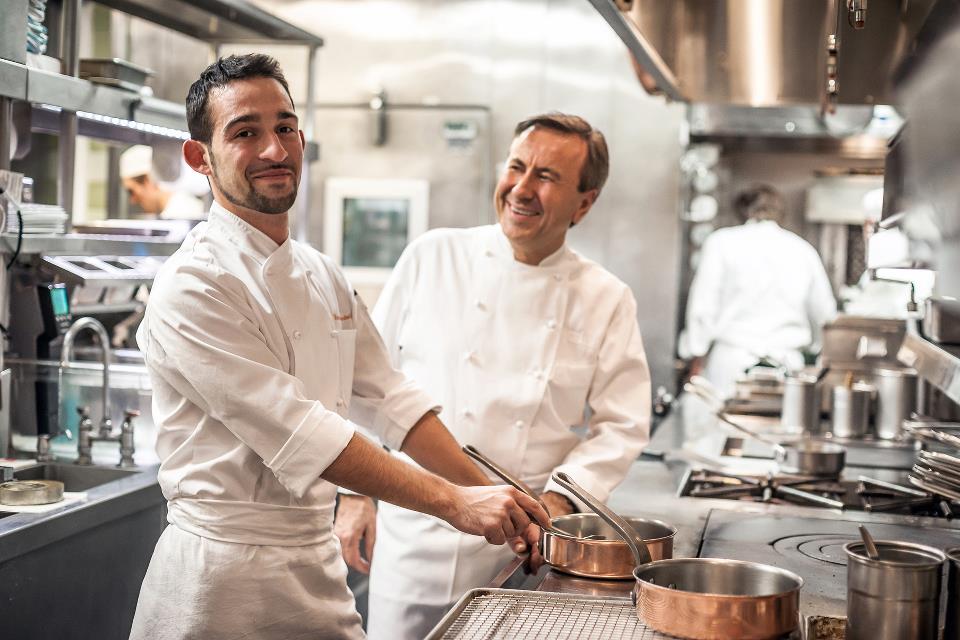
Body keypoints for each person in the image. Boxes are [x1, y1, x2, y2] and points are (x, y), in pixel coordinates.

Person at [128, 54, 550, 640]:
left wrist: (484, 490)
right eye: (245, 133)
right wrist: (455, 502)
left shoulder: (321, 273)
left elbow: (391, 399)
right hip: (219, 583)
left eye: (285, 127)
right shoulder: (193, 285)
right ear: (200, 157)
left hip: (312, 567)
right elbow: (305, 434)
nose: (275, 150)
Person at [335, 113, 652, 640]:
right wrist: (354, 497)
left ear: (584, 202)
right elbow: (367, 383)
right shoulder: (432, 257)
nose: (522, 189)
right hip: (413, 532)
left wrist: (560, 499)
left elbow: (621, 426)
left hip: (519, 547)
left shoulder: (605, 297)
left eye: (547, 177)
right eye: (517, 167)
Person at [680, 184, 837, 397]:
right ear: (780, 213)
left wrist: (696, 354)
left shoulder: (721, 242)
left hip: (730, 363)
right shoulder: (803, 250)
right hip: (787, 364)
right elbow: (825, 315)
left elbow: (703, 306)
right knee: (779, 427)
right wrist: (816, 349)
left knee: (721, 425)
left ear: (742, 211)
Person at [119, 144, 207, 220]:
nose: (133, 200)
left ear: (148, 180)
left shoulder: (184, 214)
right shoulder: (173, 212)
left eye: (131, 191)